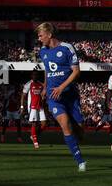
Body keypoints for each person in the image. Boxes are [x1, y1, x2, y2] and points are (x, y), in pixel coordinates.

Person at [36, 22, 85, 171]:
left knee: (80, 130)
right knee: (65, 125)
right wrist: (45, 87)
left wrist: (62, 87)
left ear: (49, 34)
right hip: (54, 97)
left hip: (70, 95)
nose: (39, 38)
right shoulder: (42, 52)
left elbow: (76, 72)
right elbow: (46, 69)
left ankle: (76, 141)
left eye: (40, 35)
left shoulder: (67, 48)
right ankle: (80, 161)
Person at [22, 69, 46, 148]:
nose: (35, 76)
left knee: (44, 124)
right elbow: (23, 96)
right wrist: (22, 107)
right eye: (34, 75)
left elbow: (44, 93)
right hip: (33, 107)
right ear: (31, 76)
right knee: (34, 123)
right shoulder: (28, 84)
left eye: (36, 75)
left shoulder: (40, 84)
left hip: (41, 106)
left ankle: (33, 135)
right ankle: (35, 142)